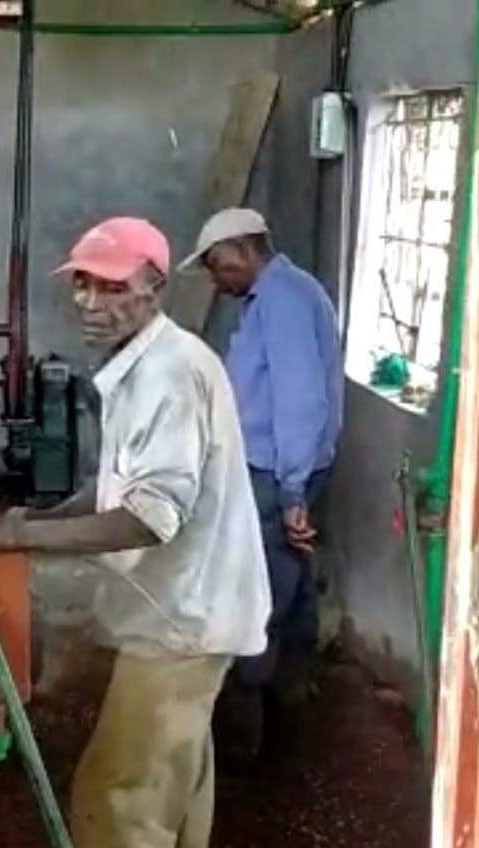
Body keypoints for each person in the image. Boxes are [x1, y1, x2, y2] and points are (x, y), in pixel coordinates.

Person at [0, 217, 270, 848]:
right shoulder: (144, 364)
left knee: (115, 799)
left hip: (183, 619)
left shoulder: (168, 376)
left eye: (111, 284)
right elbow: (121, 489)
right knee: (175, 774)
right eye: (82, 282)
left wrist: (12, 532)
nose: (90, 299)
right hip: (191, 610)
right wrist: (46, 514)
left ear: (154, 286)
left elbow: (152, 517)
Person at [180, 207, 343, 759]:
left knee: (255, 599)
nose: (215, 278)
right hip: (283, 471)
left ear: (246, 250)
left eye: (217, 265)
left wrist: (293, 492)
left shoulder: (282, 302)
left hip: (276, 474)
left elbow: (301, 402)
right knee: (292, 591)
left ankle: (243, 742)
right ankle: (290, 715)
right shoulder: (286, 295)